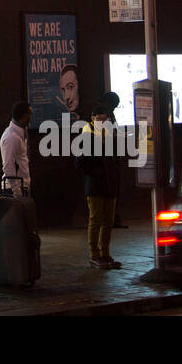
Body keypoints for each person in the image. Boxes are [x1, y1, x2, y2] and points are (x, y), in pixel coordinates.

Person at [75, 103, 122, 269]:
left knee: (108, 221)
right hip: (95, 186)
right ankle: (94, 254)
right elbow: (80, 164)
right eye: (99, 119)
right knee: (95, 220)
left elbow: (116, 159)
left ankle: (105, 253)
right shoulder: (86, 136)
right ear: (92, 119)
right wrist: (98, 173)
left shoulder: (109, 135)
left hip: (110, 185)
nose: (102, 122)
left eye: (105, 119)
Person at [103, 91, 128, 229]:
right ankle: (111, 218)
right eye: (114, 105)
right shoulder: (104, 114)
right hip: (109, 158)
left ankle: (113, 218)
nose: (114, 108)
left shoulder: (108, 113)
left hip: (112, 156)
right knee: (111, 189)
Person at [0, 101, 32, 196]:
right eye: (30, 115)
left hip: (20, 186)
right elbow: (8, 166)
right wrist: (17, 192)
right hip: (14, 189)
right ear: (25, 116)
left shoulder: (19, 134)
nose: (31, 118)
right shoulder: (11, 137)